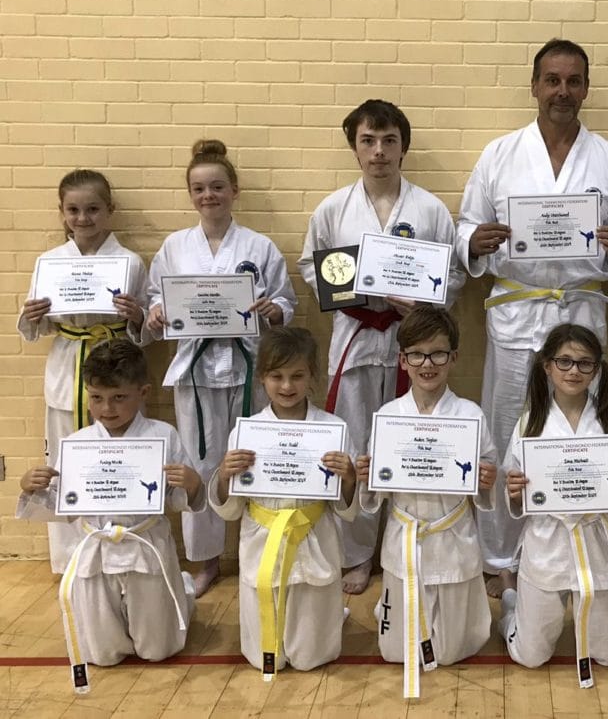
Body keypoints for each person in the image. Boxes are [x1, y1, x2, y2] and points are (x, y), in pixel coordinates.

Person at [456, 39, 608, 588]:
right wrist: (477, 242)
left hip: (582, 308)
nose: (563, 91)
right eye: (553, 80)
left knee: (578, 425)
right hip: (518, 310)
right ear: (534, 86)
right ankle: (501, 556)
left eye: (574, 81)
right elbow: (465, 226)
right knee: (509, 424)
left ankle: (573, 537)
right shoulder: (499, 154)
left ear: (586, 87)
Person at [298, 99, 465, 596]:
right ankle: (354, 555)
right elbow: (313, 266)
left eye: (389, 140)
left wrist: (424, 301)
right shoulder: (333, 208)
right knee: (354, 445)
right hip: (356, 333)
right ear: (354, 147)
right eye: (368, 141)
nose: (378, 152)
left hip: (411, 340)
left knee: (408, 441)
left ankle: (404, 541)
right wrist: (357, 290)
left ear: (403, 147)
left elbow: (453, 272)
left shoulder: (430, 209)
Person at [147, 139, 297, 597]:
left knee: (253, 457)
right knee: (201, 462)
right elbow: (158, 296)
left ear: (235, 189)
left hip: (248, 367)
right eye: (199, 188)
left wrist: (274, 311)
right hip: (195, 371)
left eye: (217, 186)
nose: (208, 195)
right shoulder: (175, 246)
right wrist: (155, 313)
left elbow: (286, 301)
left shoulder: (259, 245)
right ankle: (206, 561)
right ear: (190, 194)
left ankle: (259, 543)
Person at [17, 339, 203, 693]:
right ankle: (172, 593)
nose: (106, 408)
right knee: (102, 654)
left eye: (119, 397)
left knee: (158, 650)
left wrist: (193, 484)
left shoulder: (163, 436)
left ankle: (182, 593)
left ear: (143, 392)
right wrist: (31, 487)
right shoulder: (78, 442)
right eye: (96, 397)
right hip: (95, 551)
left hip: (145, 545)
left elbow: (183, 501)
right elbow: (61, 509)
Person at [354, 307, 497, 698]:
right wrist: (368, 480)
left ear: (454, 357)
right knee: (396, 653)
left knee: (451, 652)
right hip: (405, 541)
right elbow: (373, 498)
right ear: (402, 360)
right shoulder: (388, 415)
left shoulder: (471, 416)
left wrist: (485, 482)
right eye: (416, 354)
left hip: (453, 541)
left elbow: (486, 483)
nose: (427, 363)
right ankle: (391, 608)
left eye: (437, 354)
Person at [498, 324, 608, 688]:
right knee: (529, 657)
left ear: (596, 369)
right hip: (547, 546)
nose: (573, 371)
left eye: (584, 363)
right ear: (547, 366)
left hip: (597, 545)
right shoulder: (529, 422)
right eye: (564, 361)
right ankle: (511, 600)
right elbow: (513, 494)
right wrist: (514, 491)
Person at [18, 170, 150, 574]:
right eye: (73, 210)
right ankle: (70, 560)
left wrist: (136, 316)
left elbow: (147, 329)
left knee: (116, 459)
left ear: (110, 211)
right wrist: (32, 315)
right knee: (63, 459)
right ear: (61, 213)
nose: (83, 218)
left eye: (92, 209)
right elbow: (31, 331)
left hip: (116, 365)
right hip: (68, 364)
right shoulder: (49, 262)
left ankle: (120, 547)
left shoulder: (129, 261)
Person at [210, 327, 358, 677]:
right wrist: (223, 475)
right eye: (276, 376)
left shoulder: (333, 428)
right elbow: (231, 509)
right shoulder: (246, 432)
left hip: (314, 539)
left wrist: (349, 478)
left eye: (297, 376)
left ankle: (331, 616)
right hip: (263, 543)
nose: (287, 386)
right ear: (261, 377)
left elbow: (345, 509)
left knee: (310, 659)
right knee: (267, 658)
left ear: (312, 377)